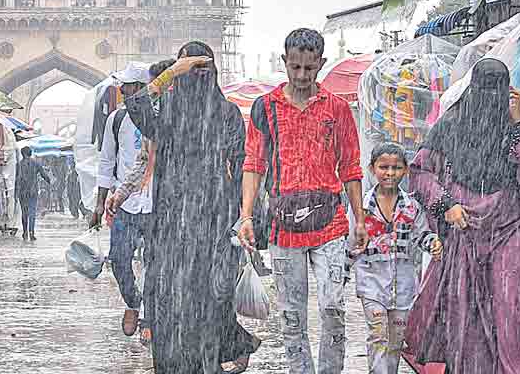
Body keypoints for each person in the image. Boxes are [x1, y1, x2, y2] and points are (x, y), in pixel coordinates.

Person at [107, 43, 260, 373]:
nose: (197, 77)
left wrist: (245, 218)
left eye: (203, 70)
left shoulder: (226, 113)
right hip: (170, 225)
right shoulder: (168, 113)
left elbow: (241, 168)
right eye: (190, 70)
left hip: (214, 224)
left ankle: (213, 360)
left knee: (210, 301)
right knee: (169, 305)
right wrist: (171, 73)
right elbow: (136, 104)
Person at [404, 58, 520, 374]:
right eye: (485, 89)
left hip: (507, 227)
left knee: (510, 306)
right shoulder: (450, 124)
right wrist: (447, 205)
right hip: (464, 227)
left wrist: (518, 123)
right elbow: (419, 173)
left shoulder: (512, 128)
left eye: (496, 90)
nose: (490, 98)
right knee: (463, 306)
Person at [237, 28, 367, 374]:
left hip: (331, 224)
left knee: (333, 308)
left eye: (309, 68)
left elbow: (351, 167)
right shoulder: (265, 108)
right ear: (285, 62)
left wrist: (360, 219)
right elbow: (253, 164)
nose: (301, 75)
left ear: (321, 64)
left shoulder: (337, 109)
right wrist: (246, 216)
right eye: (295, 67)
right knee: (292, 316)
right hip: (283, 226)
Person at [352, 143, 442, 374]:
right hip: (371, 284)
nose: (390, 173)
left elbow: (421, 235)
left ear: (406, 170)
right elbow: (350, 246)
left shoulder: (412, 207)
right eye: (384, 167)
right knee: (378, 335)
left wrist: (433, 243)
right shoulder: (362, 209)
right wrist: (338, 279)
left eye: (396, 168)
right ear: (372, 169)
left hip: (403, 287)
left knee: (395, 341)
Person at [91, 62, 161, 343]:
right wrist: (100, 203)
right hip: (127, 204)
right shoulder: (117, 119)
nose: (121, 90)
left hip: (158, 203)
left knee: (155, 262)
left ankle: (149, 318)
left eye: (127, 86)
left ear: (141, 88)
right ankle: (133, 301)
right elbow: (107, 160)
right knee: (119, 260)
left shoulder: (161, 117)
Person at [15, 146, 51, 242]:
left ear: (22, 154)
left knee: (24, 212)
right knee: (32, 212)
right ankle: (31, 232)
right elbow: (44, 175)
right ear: (30, 153)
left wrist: (15, 193)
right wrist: (49, 181)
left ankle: (25, 232)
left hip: (22, 192)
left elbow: (16, 180)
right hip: (33, 191)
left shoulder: (18, 165)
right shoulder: (36, 163)